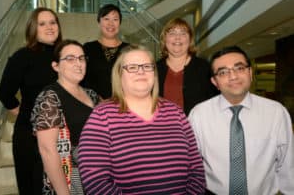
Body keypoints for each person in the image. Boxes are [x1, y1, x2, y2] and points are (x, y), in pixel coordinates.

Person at [78, 44, 206, 194]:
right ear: (119, 75)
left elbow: (196, 169)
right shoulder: (102, 116)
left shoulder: (176, 113)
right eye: (132, 67)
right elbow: (94, 179)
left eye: (147, 66)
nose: (141, 71)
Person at [188, 46, 294, 194]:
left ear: (250, 73)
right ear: (214, 82)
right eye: (223, 72)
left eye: (239, 68)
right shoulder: (199, 114)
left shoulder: (276, 112)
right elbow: (191, 164)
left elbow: (287, 164)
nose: (233, 76)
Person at [0, 7, 62, 194]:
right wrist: (27, 112)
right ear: (33, 28)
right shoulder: (22, 56)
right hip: (29, 137)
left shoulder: (66, 54)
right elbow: (5, 94)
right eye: (42, 23)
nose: (49, 27)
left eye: (53, 22)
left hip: (63, 137)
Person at [31, 39, 99, 194]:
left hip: (95, 176)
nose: (78, 63)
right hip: (70, 178)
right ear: (56, 66)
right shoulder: (49, 97)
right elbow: (48, 150)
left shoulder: (91, 94)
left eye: (81, 58)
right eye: (70, 58)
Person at [157, 18, 217, 115]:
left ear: (190, 40)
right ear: (165, 39)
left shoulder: (204, 67)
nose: (177, 38)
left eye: (183, 33)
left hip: (197, 128)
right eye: (172, 33)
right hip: (163, 128)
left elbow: (215, 101)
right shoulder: (154, 69)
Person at [82, 4, 129, 99]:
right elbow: (82, 79)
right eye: (106, 19)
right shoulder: (88, 48)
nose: (111, 24)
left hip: (124, 104)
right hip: (93, 105)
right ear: (99, 22)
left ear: (120, 23)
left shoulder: (129, 50)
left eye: (115, 19)